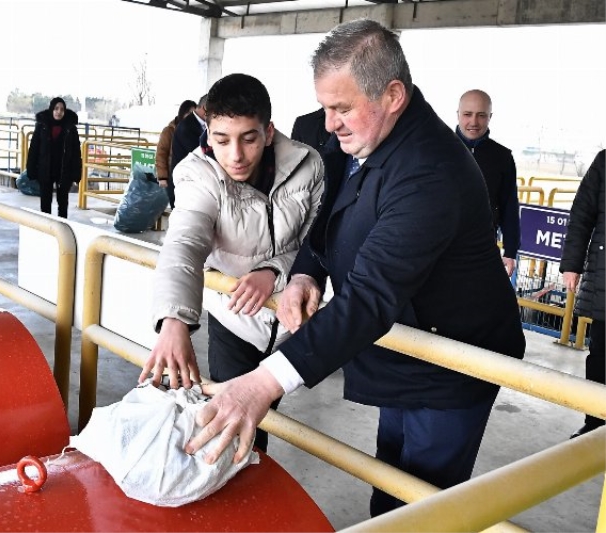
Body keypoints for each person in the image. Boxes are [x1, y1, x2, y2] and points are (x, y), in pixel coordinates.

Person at [174, 20, 525, 518]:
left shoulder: (429, 170)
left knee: (423, 500)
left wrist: (261, 382)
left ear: (393, 94)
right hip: (408, 343)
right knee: (391, 480)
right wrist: (304, 274)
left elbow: (368, 297)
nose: (331, 122)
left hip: (451, 366)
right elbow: (327, 219)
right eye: (325, 107)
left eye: (341, 108)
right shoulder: (366, 138)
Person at [140, 73, 325, 452]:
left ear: (269, 131)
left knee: (264, 416)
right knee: (235, 431)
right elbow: (186, 241)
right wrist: (174, 319)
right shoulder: (196, 175)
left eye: (249, 138)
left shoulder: (308, 166)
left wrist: (273, 272)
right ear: (208, 134)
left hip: (292, 324)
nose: (235, 155)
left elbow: (318, 243)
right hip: (234, 323)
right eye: (221, 140)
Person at [560, 150, 605, 439]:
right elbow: (581, 215)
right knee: (601, 357)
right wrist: (572, 265)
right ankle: (595, 425)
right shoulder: (604, 162)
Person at [456, 89, 521, 276]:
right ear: (458, 114)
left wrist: (510, 251)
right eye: (467, 114)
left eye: (481, 115)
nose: (474, 122)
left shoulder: (502, 157)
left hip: (481, 248)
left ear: (490, 117)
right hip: (439, 247)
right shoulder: (436, 149)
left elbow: (509, 205)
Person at [26, 97, 82, 218]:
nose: (59, 112)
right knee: (45, 202)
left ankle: (62, 229)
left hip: (64, 170)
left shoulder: (70, 128)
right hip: (45, 169)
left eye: (61, 109)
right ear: (51, 109)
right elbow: (34, 148)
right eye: (56, 108)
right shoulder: (42, 126)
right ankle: (47, 229)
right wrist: (31, 169)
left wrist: (76, 173)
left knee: (63, 203)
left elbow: (76, 152)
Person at [167, 94, 207, 209]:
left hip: (194, 186)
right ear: (205, 109)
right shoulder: (186, 127)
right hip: (183, 187)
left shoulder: (201, 125)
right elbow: (202, 155)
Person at [155, 99, 196, 198]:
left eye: (194, 113)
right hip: (172, 176)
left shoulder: (195, 130)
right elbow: (161, 153)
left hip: (189, 176)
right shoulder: (169, 131)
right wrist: (162, 177)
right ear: (182, 113)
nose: (192, 116)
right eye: (189, 112)